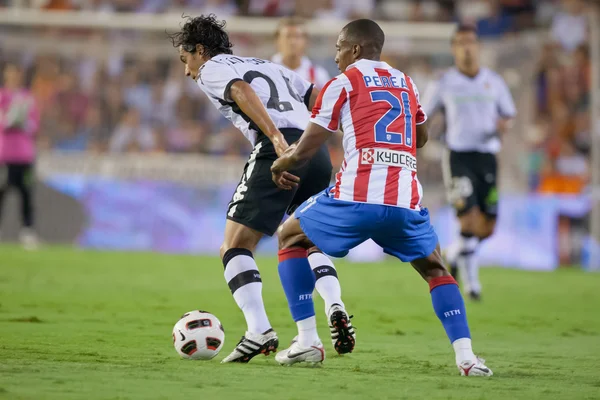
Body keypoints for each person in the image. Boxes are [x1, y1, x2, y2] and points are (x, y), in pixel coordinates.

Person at [270, 19, 493, 376]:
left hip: (354, 198)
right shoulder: (407, 83)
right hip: (404, 202)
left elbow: (305, 150)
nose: (336, 54)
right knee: (436, 269)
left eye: (340, 46)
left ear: (356, 49)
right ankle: (467, 358)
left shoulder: (341, 83)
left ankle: (307, 341)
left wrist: (279, 163)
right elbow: (420, 138)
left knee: (290, 235)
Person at [168, 14, 355, 363]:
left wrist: (275, 139)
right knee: (301, 238)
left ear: (200, 50)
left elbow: (240, 90)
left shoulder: (212, 68)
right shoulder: (271, 65)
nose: (187, 71)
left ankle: (259, 330)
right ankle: (320, 324)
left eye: (186, 60)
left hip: (279, 147)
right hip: (315, 152)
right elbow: (318, 100)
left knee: (234, 244)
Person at [423, 25, 516, 301]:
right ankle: (473, 285)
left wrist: (503, 124)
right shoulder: (444, 82)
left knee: (486, 227)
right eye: (461, 43)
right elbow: (423, 114)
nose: (467, 48)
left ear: (478, 47)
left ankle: (453, 252)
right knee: (469, 218)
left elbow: (508, 114)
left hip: (487, 157)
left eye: (471, 43)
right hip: (458, 156)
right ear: (454, 48)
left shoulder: (494, 81)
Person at [0, 63, 40, 249]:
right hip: (4, 154)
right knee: (2, 193)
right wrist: (8, 120)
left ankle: (27, 231)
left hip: (24, 155)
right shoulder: (2, 97)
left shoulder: (27, 98)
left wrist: (23, 122)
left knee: (26, 193)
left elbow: (34, 125)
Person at [271, 17, 330, 89]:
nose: (292, 42)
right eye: (288, 36)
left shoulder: (319, 75)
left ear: (306, 41)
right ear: (277, 41)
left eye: (297, 36)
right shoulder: (265, 71)